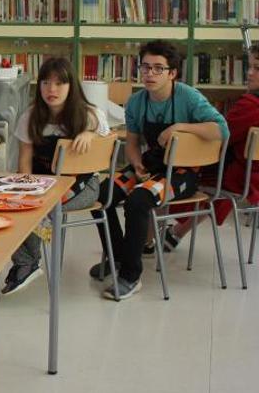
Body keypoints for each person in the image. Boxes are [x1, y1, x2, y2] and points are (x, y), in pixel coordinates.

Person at [90, 40, 229, 300]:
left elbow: (221, 130)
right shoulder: (136, 102)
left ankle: (131, 276)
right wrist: (136, 163)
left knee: (138, 202)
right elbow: (131, 142)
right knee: (101, 195)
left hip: (183, 172)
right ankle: (119, 257)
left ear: (172, 73)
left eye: (158, 69)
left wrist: (180, 127)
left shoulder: (189, 96)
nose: (150, 74)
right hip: (151, 164)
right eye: (145, 68)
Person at [2, 57, 110, 295]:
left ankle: (26, 262)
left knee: (42, 206)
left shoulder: (89, 115)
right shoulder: (30, 117)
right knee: (16, 204)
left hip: (82, 185)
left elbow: (107, 141)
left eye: (60, 83)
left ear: (72, 86)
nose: (51, 90)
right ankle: (27, 262)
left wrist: (90, 134)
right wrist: (24, 190)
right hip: (43, 183)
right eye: (45, 83)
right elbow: (25, 161)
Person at [153, 43, 259, 248]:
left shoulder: (250, 104)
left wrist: (188, 129)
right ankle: (174, 234)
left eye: (257, 68)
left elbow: (221, 136)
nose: (250, 73)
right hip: (251, 175)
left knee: (166, 171)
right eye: (250, 66)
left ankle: (149, 234)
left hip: (238, 177)